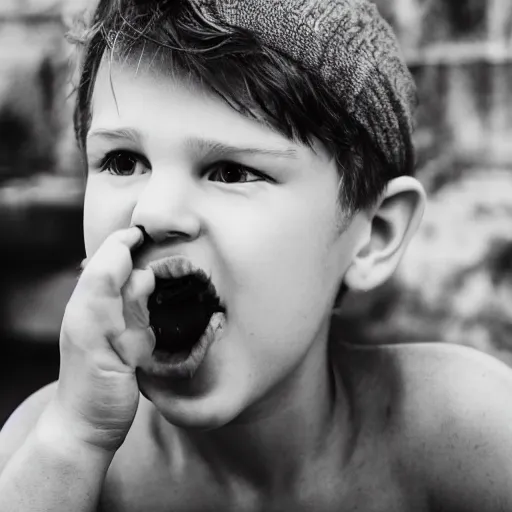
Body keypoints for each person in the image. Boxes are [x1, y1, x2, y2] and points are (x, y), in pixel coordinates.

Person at [1, 0, 512, 510]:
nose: (152, 212)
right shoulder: (46, 450)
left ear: (374, 234)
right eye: (123, 160)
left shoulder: (466, 432)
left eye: (231, 172)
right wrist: (76, 443)